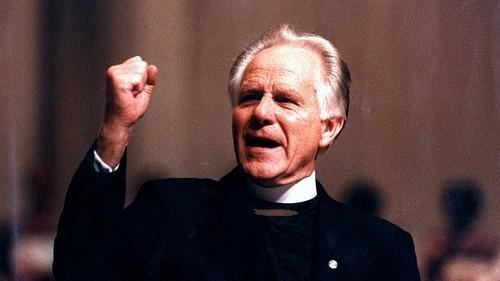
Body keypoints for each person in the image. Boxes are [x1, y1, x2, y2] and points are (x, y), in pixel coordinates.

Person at [53, 25, 420, 281]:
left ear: (329, 127)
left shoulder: (382, 248)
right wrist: (117, 127)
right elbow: (79, 271)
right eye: (249, 97)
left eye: (286, 100)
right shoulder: (173, 214)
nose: (261, 113)